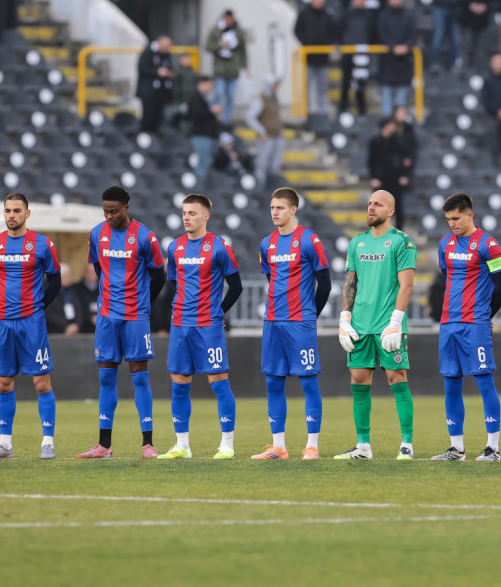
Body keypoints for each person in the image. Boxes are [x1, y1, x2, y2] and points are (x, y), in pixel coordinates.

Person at [76, 186, 166, 459]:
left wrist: (142, 303)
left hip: (135, 317)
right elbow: (99, 267)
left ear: (127, 208)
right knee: (106, 377)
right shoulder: (96, 233)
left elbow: (158, 276)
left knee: (140, 378)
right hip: (106, 316)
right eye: (105, 211)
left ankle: (147, 444)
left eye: (114, 211)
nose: (109, 216)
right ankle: (104, 445)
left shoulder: (145, 237)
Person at [157, 194, 243, 460]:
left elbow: (236, 286)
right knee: (179, 384)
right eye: (184, 212)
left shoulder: (219, 247)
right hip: (181, 325)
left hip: (209, 325)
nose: (186, 217)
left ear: (205, 216)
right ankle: (182, 445)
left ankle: (227, 445)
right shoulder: (175, 247)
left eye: (192, 213)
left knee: (218, 383)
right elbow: (171, 284)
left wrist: (219, 311)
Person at [335, 190, 417, 460]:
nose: (371, 208)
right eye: (369, 203)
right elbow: (350, 282)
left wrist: (396, 321)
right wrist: (344, 317)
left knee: (397, 379)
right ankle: (363, 447)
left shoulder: (402, 242)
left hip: (388, 327)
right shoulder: (357, 242)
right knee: (358, 380)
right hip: (360, 325)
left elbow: (407, 284)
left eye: (378, 204)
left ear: (391, 211)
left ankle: (406, 444)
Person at [252, 187, 331, 461]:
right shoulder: (267, 244)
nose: (275, 212)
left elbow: (325, 285)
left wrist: (310, 315)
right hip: (273, 322)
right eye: (272, 207)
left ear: (293, 209)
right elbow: (270, 281)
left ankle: (312, 446)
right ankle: (278, 447)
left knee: (308, 382)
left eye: (280, 208)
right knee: (273, 382)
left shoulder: (309, 240)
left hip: (300, 322)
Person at [431, 193, 501, 461]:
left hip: (475, 323)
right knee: (451, 385)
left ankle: (493, 448)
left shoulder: (488, 244)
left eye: (456, 218)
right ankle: (457, 449)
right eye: (448, 220)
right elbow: (447, 277)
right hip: (449, 324)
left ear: (470, 215)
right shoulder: (445, 244)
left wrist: (486, 313)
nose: (452, 224)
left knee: (484, 383)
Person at [0, 193, 61, 459]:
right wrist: (5, 302)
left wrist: (38, 306)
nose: (11, 215)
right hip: (3, 322)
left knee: (41, 383)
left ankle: (47, 442)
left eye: (17, 210)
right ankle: (5, 445)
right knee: (4, 383)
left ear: (27, 214)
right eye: (8, 210)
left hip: (32, 323)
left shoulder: (42, 244)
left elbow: (55, 282)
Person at [295, 0, 338, 116]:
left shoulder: (327, 15)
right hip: (308, 58)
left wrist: (327, 43)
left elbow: (334, 32)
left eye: (321, 1)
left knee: (322, 89)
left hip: (323, 58)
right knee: (307, 89)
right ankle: (307, 114)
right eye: (317, 0)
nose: (319, 3)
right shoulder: (304, 14)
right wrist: (306, 42)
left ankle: (321, 114)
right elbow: (297, 30)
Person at [205, 10, 247, 126]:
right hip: (220, 69)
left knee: (230, 96)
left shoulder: (237, 31)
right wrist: (220, 45)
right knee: (218, 93)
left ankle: (226, 121)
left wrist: (244, 66)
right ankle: (215, 118)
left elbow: (243, 49)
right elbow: (208, 46)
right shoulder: (216, 30)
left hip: (233, 69)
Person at [377, 0, 416, 116]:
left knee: (401, 104)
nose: (396, 2)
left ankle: (400, 128)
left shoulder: (408, 16)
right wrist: (393, 46)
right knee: (387, 105)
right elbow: (381, 34)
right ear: (389, 0)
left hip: (404, 64)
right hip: (387, 62)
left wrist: (406, 46)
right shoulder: (383, 16)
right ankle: (387, 126)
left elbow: (413, 35)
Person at [338, 0, 376, 115]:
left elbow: (372, 34)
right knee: (346, 83)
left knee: (361, 85)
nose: (360, 1)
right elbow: (339, 31)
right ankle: (343, 109)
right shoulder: (346, 14)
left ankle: (362, 111)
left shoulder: (369, 16)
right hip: (348, 53)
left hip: (362, 55)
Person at [367, 117, 408, 229]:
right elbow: (371, 161)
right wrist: (373, 177)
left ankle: (399, 232)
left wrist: (403, 174)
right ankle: (378, 230)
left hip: (395, 179)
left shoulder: (396, 141)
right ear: (385, 127)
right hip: (381, 179)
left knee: (397, 206)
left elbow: (403, 159)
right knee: (378, 207)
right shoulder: (375, 141)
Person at [246, 75, 285, 189]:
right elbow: (250, 117)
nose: (275, 87)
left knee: (274, 166)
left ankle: (271, 190)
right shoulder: (260, 99)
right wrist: (261, 130)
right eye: (274, 85)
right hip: (266, 137)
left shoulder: (274, 98)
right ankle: (260, 189)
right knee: (262, 166)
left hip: (277, 135)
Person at [136, 36, 174, 134]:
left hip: (161, 92)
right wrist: (157, 72)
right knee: (148, 118)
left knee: (159, 118)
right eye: (166, 46)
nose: (167, 48)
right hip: (148, 92)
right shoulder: (148, 52)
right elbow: (142, 68)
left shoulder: (166, 55)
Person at [187, 76, 221, 184]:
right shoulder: (195, 98)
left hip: (207, 135)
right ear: (201, 84)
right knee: (201, 163)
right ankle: (198, 189)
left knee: (206, 162)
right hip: (201, 135)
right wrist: (211, 111)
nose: (211, 87)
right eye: (209, 84)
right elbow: (195, 115)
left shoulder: (205, 98)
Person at [430, 0, 465, 71]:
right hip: (439, 6)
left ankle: (455, 63)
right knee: (438, 35)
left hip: (455, 8)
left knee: (455, 37)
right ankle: (435, 63)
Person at [44, 263, 84, 335]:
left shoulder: (71, 290)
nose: (69, 278)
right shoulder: (48, 291)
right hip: (56, 332)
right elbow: (49, 314)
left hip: (74, 330)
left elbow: (79, 309)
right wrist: (65, 326)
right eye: (67, 275)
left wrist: (76, 325)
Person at [460, 0, 492, 69]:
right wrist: (470, 5)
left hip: (483, 20)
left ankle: (481, 68)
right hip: (467, 19)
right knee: (466, 46)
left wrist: (485, 6)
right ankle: (465, 67)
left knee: (482, 48)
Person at [171, 54, 199, 133]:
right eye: (186, 59)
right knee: (181, 118)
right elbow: (176, 88)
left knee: (190, 118)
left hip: (191, 99)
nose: (188, 61)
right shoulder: (177, 71)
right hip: (181, 99)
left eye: (189, 59)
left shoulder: (192, 71)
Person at [392, 105, 417, 189]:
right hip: (391, 167)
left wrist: (409, 159)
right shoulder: (390, 128)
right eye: (401, 113)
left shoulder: (409, 128)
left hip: (405, 166)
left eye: (404, 113)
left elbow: (412, 146)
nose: (403, 115)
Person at [70, 263, 99, 333]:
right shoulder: (75, 288)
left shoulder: (104, 288)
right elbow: (76, 307)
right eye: (89, 272)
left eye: (93, 272)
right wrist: (90, 317)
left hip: (101, 326)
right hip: (83, 328)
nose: (91, 274)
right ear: (84, 273)